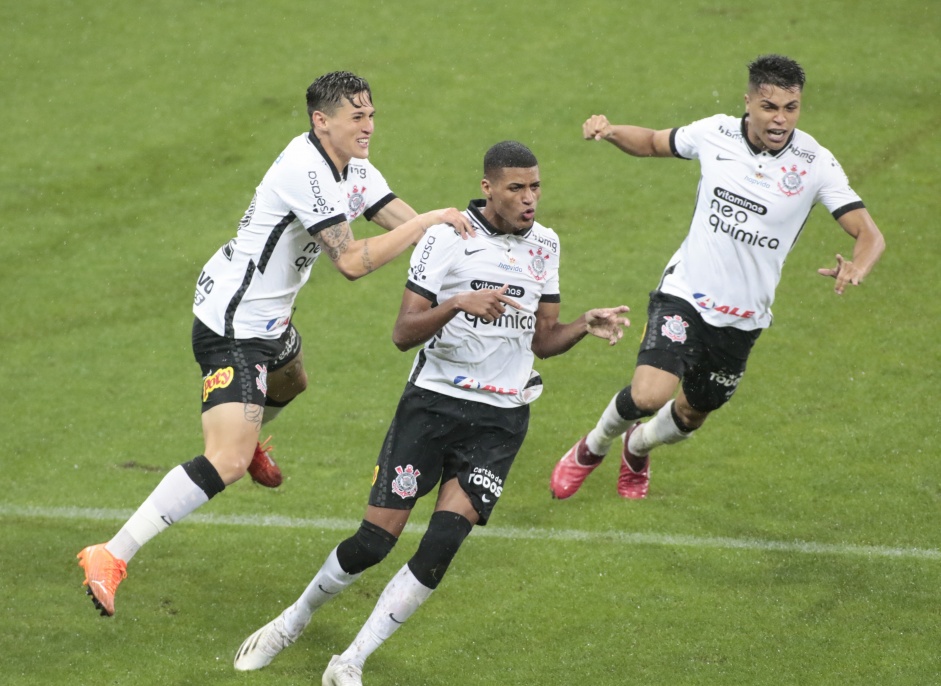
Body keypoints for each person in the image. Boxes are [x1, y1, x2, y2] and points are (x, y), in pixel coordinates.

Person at [76, 71, 474, 617]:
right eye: (357, 116)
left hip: (269, 320)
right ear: (321, 120)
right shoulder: (303, 170)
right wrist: (431, 220)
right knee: (229, 460)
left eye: (372, 114)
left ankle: (250, 420)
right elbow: (354, 262)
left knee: (293, 381)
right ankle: (111, 554)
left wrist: (467, 242)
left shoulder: (352, 167)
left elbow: (407, 223)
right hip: (233, 327)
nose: (369, 126)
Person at [232, 141, 630, 685]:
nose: (530, 199)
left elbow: (542, 340)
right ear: (488, 188)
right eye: (516, 188)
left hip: (501, 420)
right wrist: (456, 304)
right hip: (433, 405)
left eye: (535, 187)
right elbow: (402, 334)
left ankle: (350, 662)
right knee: (373, 544)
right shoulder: (448, 238)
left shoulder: (546, 245)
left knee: (442, 545)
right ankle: (292, 620)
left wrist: (585, 324)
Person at [549, 54, 885, 502]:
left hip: (744, 317)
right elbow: (651, 141)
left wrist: (858, 265)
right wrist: (610, 132)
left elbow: (869, 233)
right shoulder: (716, 133)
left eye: (791, 107)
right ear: (748, 102)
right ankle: (593, 446)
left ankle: (638, 446)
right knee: (649, 395)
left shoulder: (815, 163)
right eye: (769, 106)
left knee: (691, 414)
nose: (780, 118)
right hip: (686, 293)